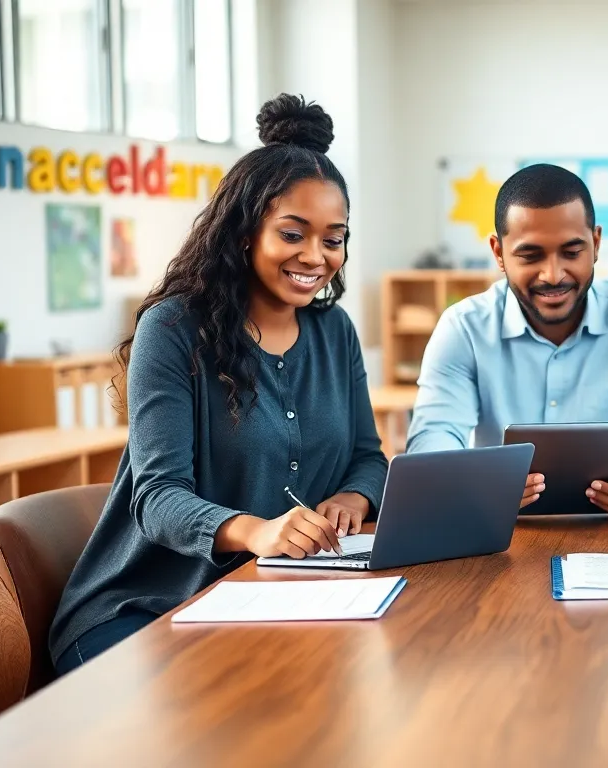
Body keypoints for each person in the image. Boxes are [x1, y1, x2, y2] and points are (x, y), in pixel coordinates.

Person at [48, 94, 388, 674]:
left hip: (269, 599)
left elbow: (367, 456)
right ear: (244, 233)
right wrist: (258, 532)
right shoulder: (174, 329)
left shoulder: (336, 331)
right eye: (293, 234)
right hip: (144, 609)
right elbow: (158, 498)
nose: (316, 256)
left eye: (333, 239)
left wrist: (350, 500)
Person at [407, 164, 608, 517]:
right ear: (499, 253)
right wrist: (475, 480)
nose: (553, 275)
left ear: (596, 243)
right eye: (530, 256)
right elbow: (433, 437)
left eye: (572, 252)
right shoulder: (463, 328)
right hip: (499, 528)